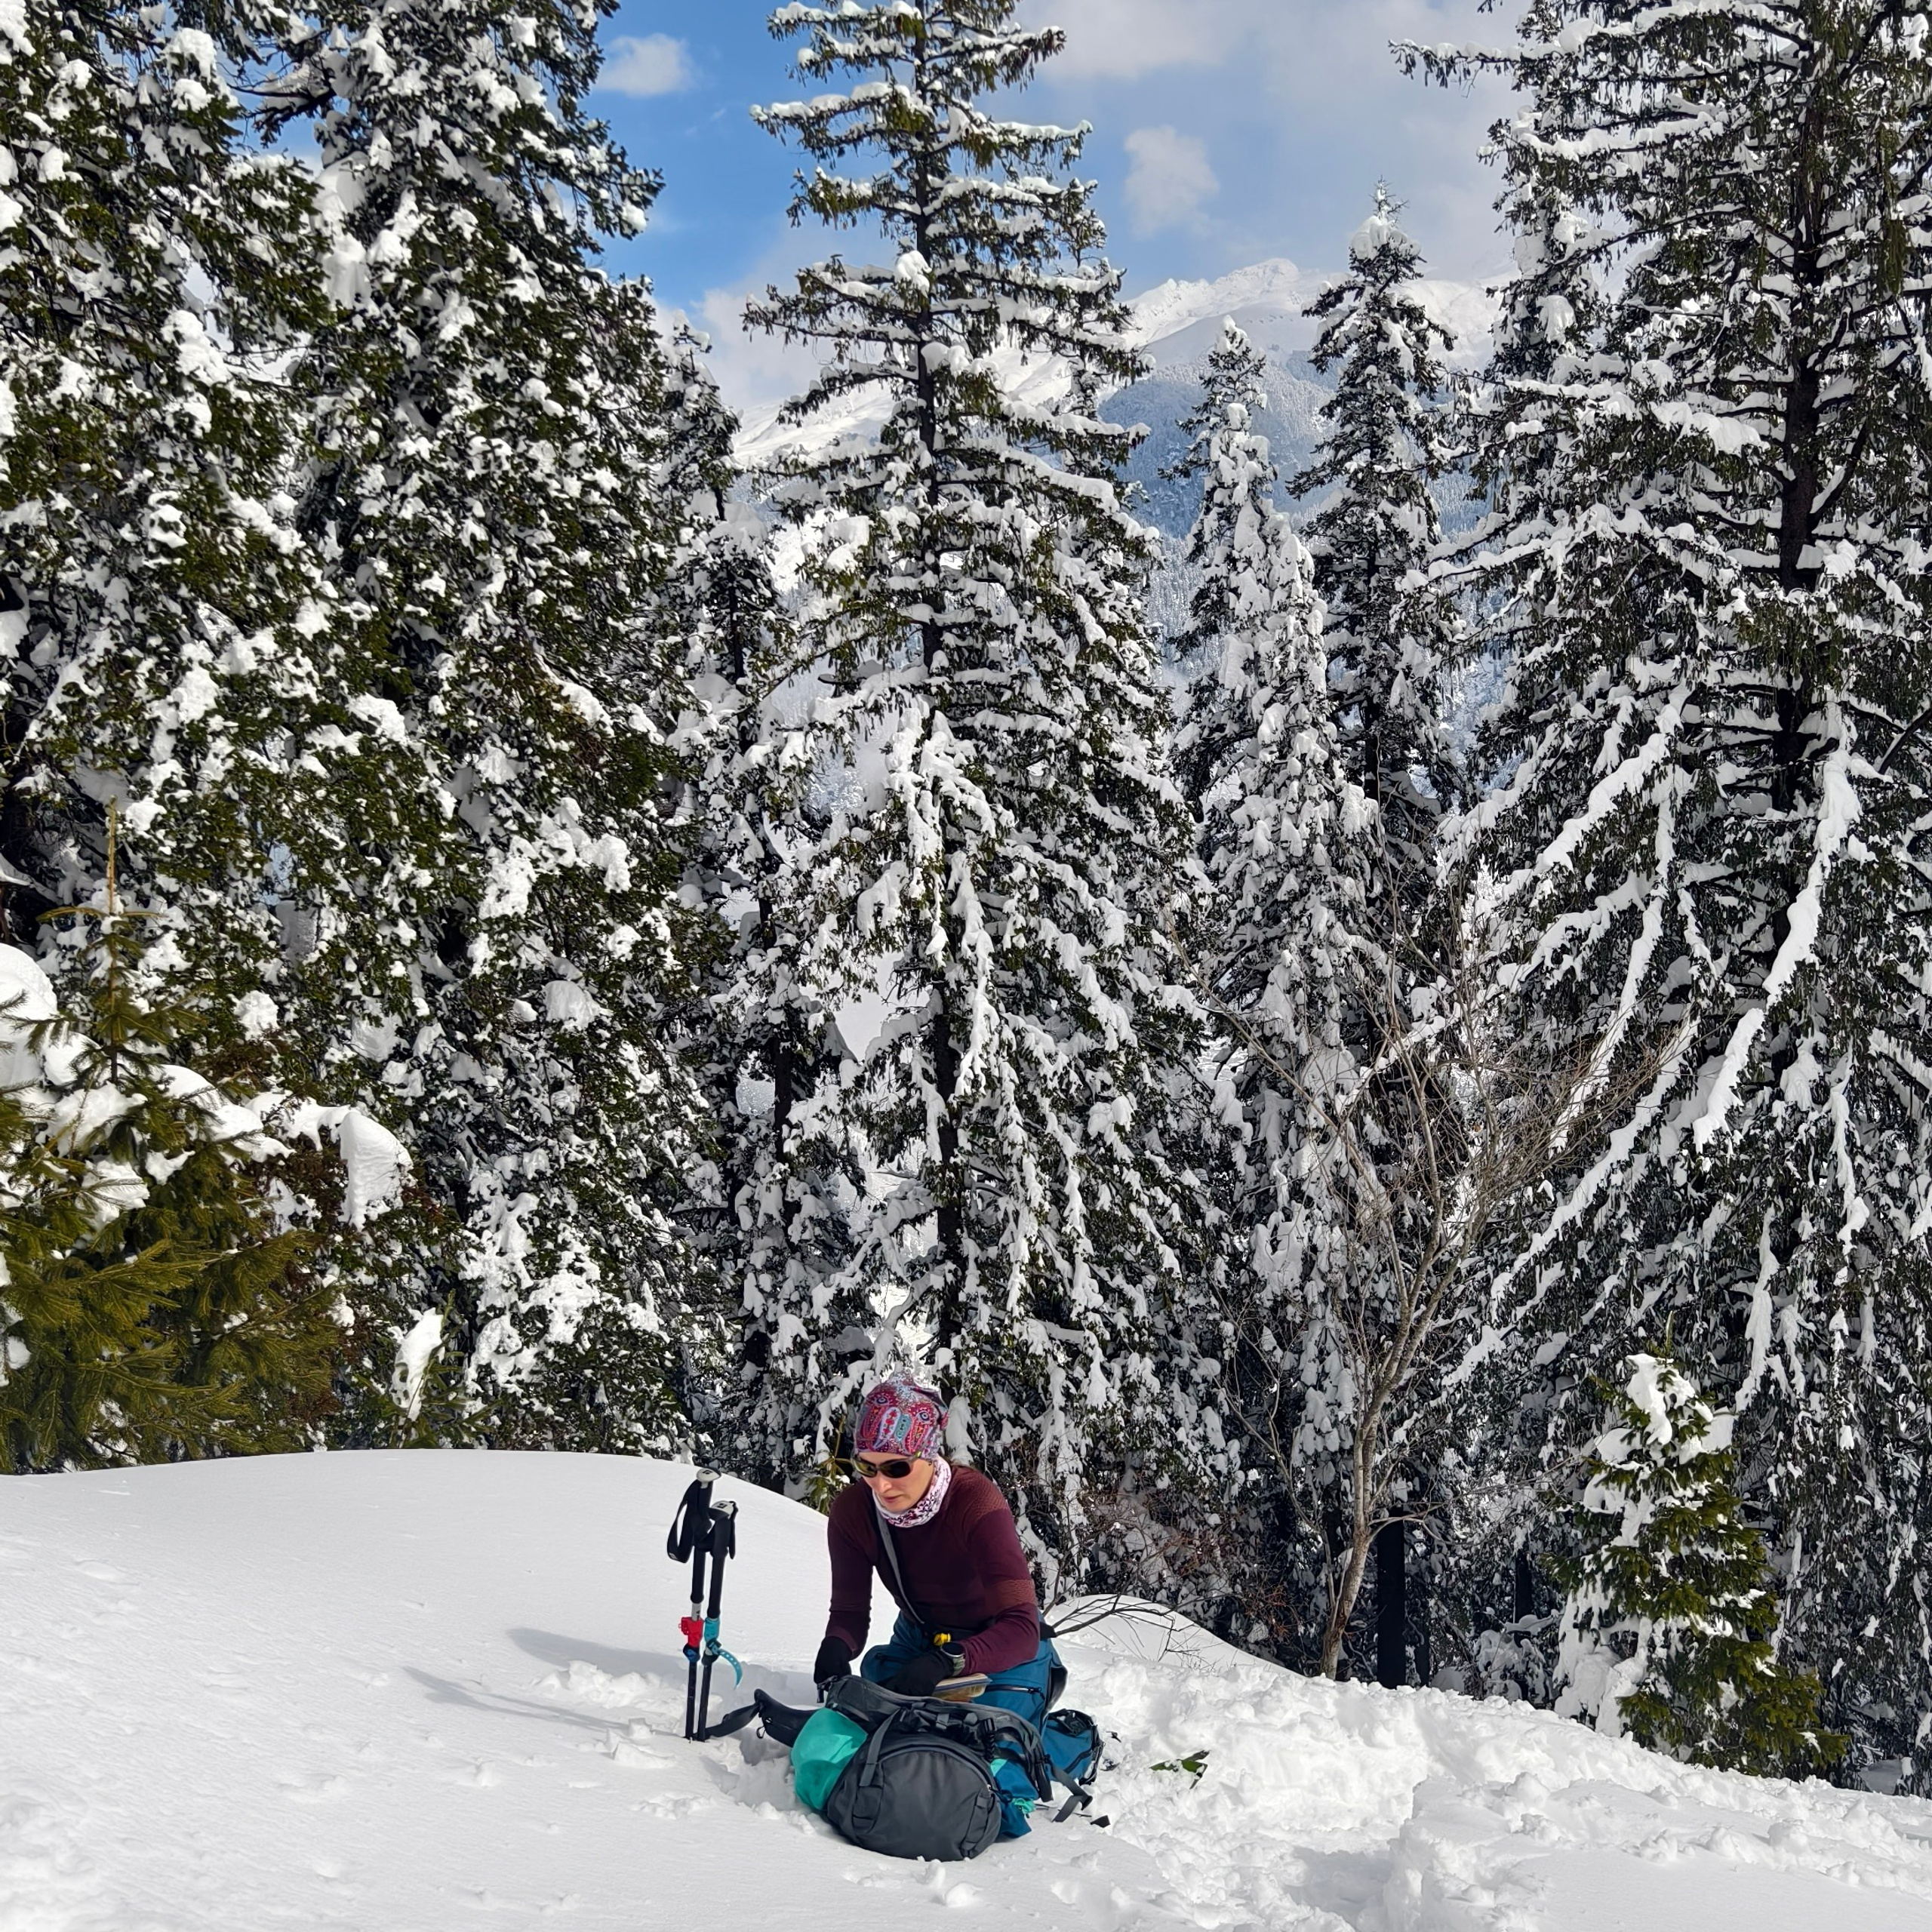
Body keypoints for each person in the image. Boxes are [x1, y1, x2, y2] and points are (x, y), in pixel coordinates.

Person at [812, 1376, 1063, 1727]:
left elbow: (1022, 1628)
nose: (881, 1485)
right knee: (878, 1738)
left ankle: (1070, 1739)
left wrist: (949, 1661)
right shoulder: (853, 1512)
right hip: (920, 1639)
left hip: (999, 1647)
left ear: (928, 1456)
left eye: (897, 1467)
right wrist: (836, 1645)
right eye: (867, 1467)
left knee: (991, 1755)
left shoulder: (975, 1503)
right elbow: (849, 1612)